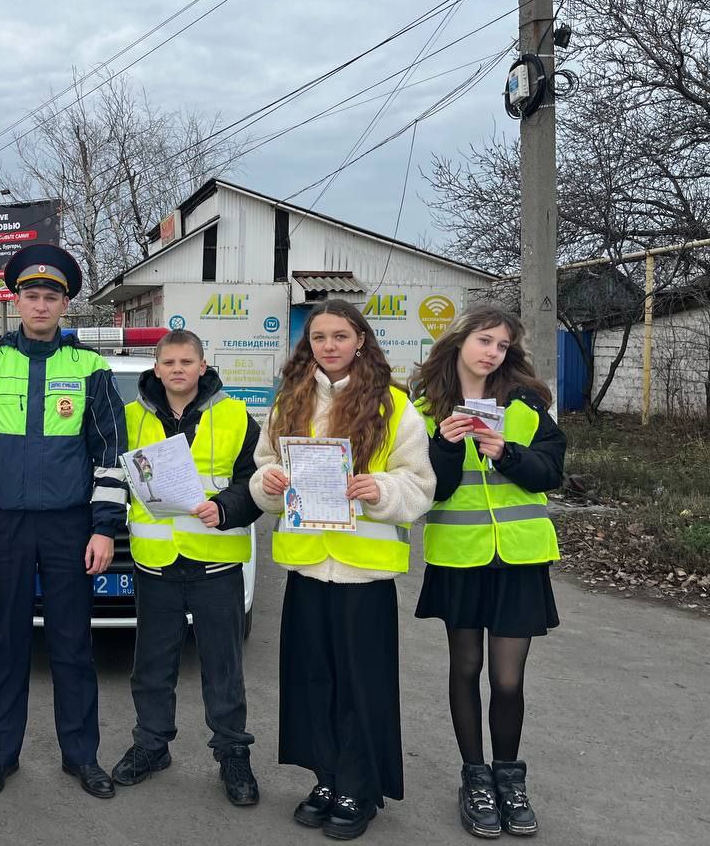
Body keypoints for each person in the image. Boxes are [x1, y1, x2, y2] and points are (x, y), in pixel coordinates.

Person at [0, 243, 128, 802]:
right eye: (32, 295)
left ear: (65, 304)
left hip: (69, 526)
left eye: (51, 296)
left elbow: (109, 452)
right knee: (7, 644)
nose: (41, 305)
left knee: (74, 645)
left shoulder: (91, 368)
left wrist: (102, 527)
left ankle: (82, 757)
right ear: (17, 301)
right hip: (3, 525)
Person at [249, 299, 435, 840]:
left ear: (360, 340)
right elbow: (264, 468)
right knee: (314, 681)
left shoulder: (393, 404)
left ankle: (360, 785)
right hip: (308, 567)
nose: (329, 346)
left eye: (340, 335)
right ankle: (327, 777)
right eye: (319, 337)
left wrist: (379, 489)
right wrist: (271, 484)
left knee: (362, 686)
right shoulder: (289, 400)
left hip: (365, 571)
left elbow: (420, 484)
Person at [410, 305, 565, 839]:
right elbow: (434, 489)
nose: (493, 351)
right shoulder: (426, 407)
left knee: (507, 677)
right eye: (485, 340)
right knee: (465, 667)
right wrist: (448, 445)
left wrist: (507, 453)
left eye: (502, 345)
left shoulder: (526, 403)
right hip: (459, 557)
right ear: (460, 341)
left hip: (519, 558)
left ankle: (509, 777)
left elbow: (553, 472)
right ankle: (475, 778)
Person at [109, 329, 263, 805]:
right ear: (156, 368)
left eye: (186, 361)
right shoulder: (128, 417)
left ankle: (233, 754)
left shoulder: (236, 415)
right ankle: (152, 745)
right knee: (151, 667)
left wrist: (228, 506)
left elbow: (255, 481)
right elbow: (113, 482)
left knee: (223, 668)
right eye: (168, 362)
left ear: (202, 365)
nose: (177, 370)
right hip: (156, 563)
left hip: (215, 562)